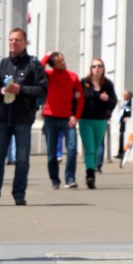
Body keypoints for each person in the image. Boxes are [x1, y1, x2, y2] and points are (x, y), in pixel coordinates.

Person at [0, 28, 47, 206]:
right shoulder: (1, 64)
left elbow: (42, 89)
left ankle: (19, 194)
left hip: (23, 119)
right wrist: (1, 90)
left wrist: (22, 89)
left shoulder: (33, 64)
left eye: (17, 40)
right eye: (11, 40)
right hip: (2, 118)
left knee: (22, 158)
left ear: (25, 42)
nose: (13, 43)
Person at [40, 51, 84, 189]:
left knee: (72, 148)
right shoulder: (49, 75)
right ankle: (55, 180)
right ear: (53, 65)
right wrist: (47, 56)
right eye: (59, 62)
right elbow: (37, 70)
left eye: (63, 60)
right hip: (50, 117)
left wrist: (76, 116)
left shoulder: (72, 76)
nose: (63, 63)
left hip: (67, 118)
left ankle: (70, 178)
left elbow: (80, 98)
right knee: (51, 153)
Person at [78, 58, 118, 189]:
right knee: (89, 147)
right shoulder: (84, 83)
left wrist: (107, 99)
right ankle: (90, 175)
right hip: (85, 120)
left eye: (99, 66)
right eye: (94, 66)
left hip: (101, 120)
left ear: (103, 68)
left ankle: (91, 167)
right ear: (91, 69)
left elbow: (114, 101)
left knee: (95, 148)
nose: (96, 69)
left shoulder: (107, 84)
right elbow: (77, 98)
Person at [115, 90, 133, 158]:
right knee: (120, 136)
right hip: (121, 121)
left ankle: (122, 152)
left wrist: (128, 117)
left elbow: (129, 111)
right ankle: (120, 152)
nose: (124, 96)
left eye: (125, 95)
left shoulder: (130, 103)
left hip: (125, 121)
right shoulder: (124, 103)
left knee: (123, 136)